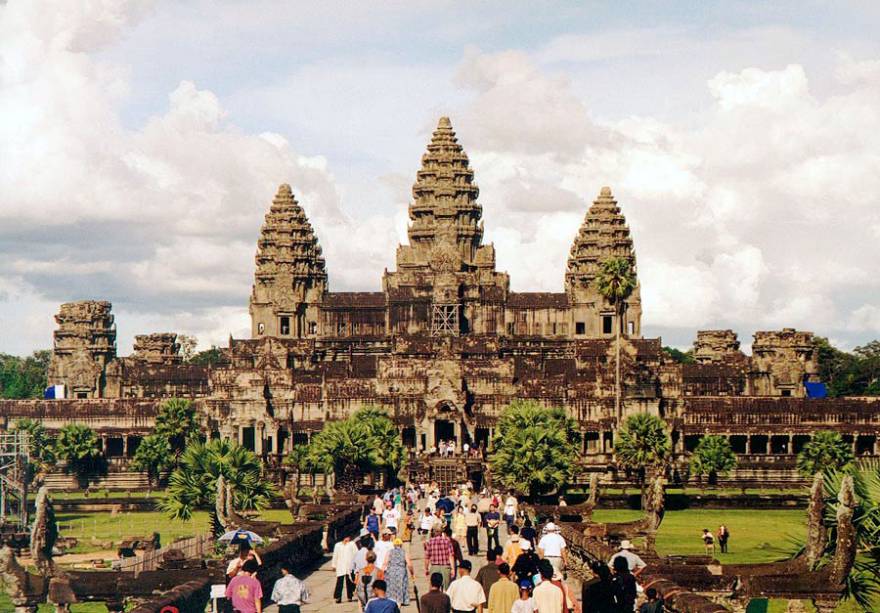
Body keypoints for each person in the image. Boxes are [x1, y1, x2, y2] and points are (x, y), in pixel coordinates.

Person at [384, 538, 415, 605]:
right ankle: (400, 601)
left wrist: (381, 572)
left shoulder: (389, 552)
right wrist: (412, 573)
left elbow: (385, 563)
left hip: (390, 571)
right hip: (401, 571)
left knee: (391, 586)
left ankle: (391, 600)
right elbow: (409, 564)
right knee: (401, 586)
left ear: (394, 545)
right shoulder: (404, 552)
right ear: (401, 545)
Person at [331, 534, 358, 603]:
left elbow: (356, 554)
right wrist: (334, 565)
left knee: (349, 581)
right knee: (339, 582)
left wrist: (356, 565)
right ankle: (338, 597)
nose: (348, 538)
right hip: (341, 566)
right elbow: (335, 555)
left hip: (350, 566)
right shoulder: (338, 545)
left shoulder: (352, 544)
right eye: (347, 537)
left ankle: (350, 596)